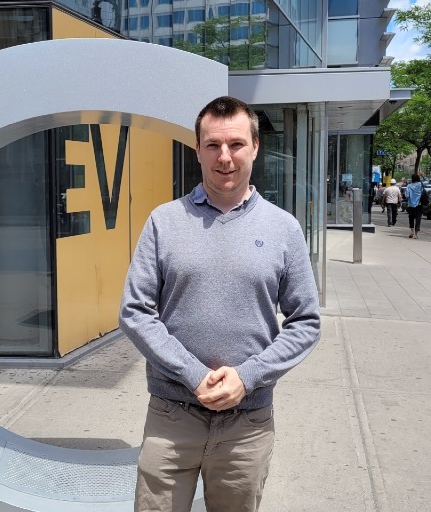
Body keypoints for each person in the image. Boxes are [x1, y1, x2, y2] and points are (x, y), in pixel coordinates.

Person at [119, 96, 321, 512]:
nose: (224, 157)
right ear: (197, 150)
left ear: (255, 147)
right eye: (212, 145)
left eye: (235, 144)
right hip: (171, 418)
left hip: (247, 424)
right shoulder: (164, 221)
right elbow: (135, 312)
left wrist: (247, 377)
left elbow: (306, 321)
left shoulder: (284, 228)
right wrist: (193, 375)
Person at [404, 173, 425, 239]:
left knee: (411, 218)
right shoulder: (420, 185)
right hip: (419, 204)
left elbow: (407, 196)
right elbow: (425, 182)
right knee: (418, 219)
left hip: (411, 205)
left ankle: (412, 231)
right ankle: (416, 234)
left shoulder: (409, 186)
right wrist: (422, 176)